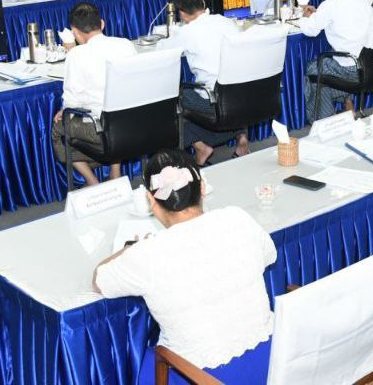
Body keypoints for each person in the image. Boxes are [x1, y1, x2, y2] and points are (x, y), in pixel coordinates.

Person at [94, 150, 276, 384]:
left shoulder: (147, 253)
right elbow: (269, 255)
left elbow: (100, 280)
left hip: (202, 376)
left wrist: (129, 248)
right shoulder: (237, 218)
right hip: (271, 360)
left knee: (149, 359)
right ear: (202, 188)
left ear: (151, 201)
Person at [160, 0, 250, 165]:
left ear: (182, 14)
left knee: (172, 97)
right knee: (229, 85)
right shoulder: (225, 21)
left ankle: (201, 146)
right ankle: (242, 138)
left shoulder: (187, 32)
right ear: (202, 3)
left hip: (212, 101)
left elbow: (163, 49)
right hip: (240, 95)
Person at [53, 2, 136, 184]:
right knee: (114, 113)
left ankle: (92, 181)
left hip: (99, 129)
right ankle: (115, 172)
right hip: (131, 124)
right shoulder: (125, 44)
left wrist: (64, 110)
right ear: (102, 23)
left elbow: (73, 101)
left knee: (58, 127)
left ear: (75, 32)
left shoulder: (76, 54)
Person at [299, 0, 372, 119]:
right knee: (332, 59)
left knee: (314, 68)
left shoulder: (330, 4)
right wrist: (319, 14)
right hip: (369, 66)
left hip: (349, 71)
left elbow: (310, 30)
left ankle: (325, 118)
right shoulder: (365, 0)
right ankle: (348, 103)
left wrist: (304, 17)